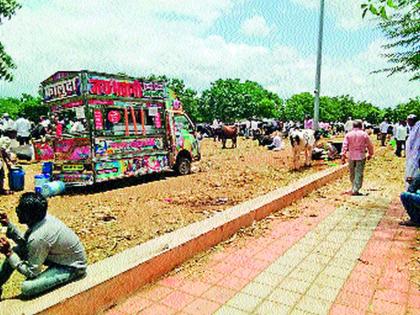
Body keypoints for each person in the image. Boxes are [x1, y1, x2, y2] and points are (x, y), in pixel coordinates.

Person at [0, 193, 87, 299]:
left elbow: (32, 272)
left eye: (20, 209)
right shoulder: (42, 219)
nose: (17, 210)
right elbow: (28, 243)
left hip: (71, 267)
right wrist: (9, 225)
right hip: (59, 257)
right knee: (17, 251)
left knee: (27, 287)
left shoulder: (39, 236)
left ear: (29, 215)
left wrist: (8, 253)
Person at [341, 120, 374, 196]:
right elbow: (370, 145)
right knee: (359, 172)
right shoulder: (364, 134)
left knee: (352, 172)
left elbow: (345, 145)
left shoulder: (348, 135)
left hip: (351, 156)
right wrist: (370, 153)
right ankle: (355, 189)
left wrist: (343, 155)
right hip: (361, 156)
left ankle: (354, 187)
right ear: (361, 126)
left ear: (353, 126)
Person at [405, 118, 420, 187]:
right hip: (411, 156)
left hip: (416, 156)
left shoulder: (418, 127)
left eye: (410, 120)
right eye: (408, 120)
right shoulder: (413, 128)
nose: (408, 122)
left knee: (414, 175)